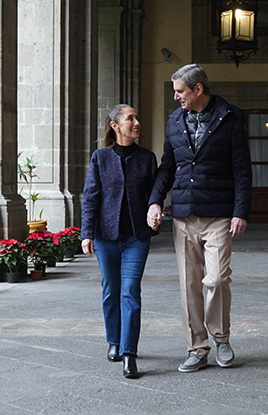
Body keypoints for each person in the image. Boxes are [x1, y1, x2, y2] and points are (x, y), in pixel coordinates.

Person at [147, 64, 251, 373]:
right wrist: (155, 201)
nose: (176, 95)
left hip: (218, 213)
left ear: (198, 90)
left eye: (180, 90)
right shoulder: (175, 121)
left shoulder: (230, 117)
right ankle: (196, 347)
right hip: (183, 213)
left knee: (217, 279)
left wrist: (240, 211)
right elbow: (167, 167)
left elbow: (241, 167)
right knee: (188, 283)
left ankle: (221, 339)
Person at [81, 104, 158, 379]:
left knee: (130, 291)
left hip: (137, 237)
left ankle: (129, 353)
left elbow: (154, 195)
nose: (136, 122)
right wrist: (86, 233)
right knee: (111, 291)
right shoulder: (100, 157)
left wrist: (156, 209)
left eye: (137, 117)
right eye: (130, 118)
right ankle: (113, 340)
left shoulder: (148, 158)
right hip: (106, 237)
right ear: (115, 126)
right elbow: (90, 196)